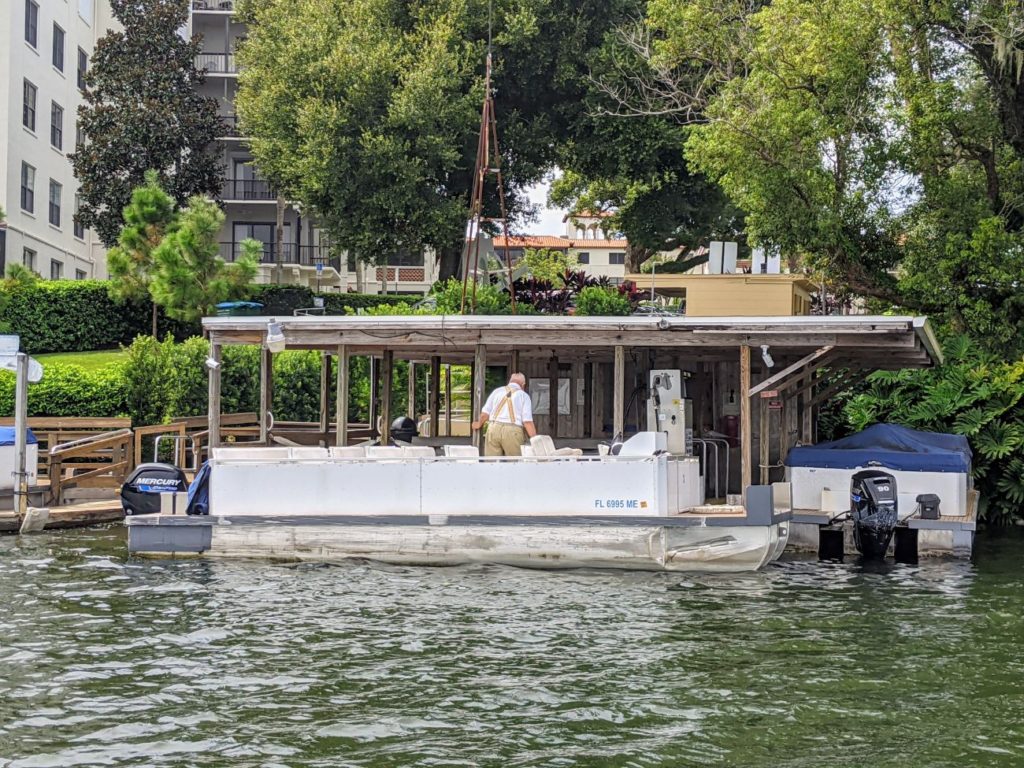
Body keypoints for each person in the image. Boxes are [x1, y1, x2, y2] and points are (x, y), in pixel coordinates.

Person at [471, 372, 537, 456]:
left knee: (492, 463)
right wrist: (535, 440)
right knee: (515, 464)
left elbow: (485, 413)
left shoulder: (497, 391)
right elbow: (527, 422)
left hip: (493, 428)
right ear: (523, 385)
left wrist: (478, 424)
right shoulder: (524, 396)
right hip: (513, 431)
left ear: (510, 382)